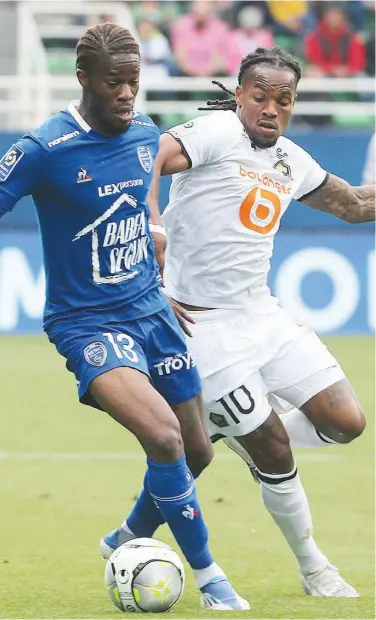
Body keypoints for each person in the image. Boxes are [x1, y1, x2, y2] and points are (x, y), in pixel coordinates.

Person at [106, 47, 374, 598]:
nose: (271, 108)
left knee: (347, 422)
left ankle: (234, 433)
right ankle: (315, 568)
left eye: (284, 100)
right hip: (203, 328)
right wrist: (151, 225)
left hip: (262, 316)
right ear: (240, 94)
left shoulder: (292, 160)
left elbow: (353, 205)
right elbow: (148, 155)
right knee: (275, 447)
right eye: (260, 96)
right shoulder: (214, 133)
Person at [0, 23, 249, 612]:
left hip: (152, 311)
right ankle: (212, 578)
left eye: (133, 82)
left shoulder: (144, 134)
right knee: (163, 437)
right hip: (85, 322)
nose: (126, 94)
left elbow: (146, 188)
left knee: (197, 452)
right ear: (83, 78)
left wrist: (155, 230)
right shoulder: (44, 149)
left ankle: (126, 538)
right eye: (114, 83)